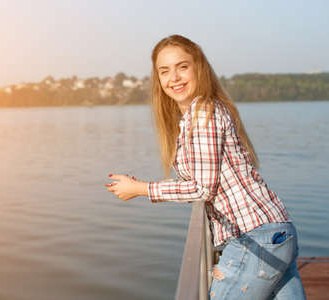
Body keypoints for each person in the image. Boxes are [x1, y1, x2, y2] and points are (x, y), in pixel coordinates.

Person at [105, 34, 306, 299]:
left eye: (182, 67)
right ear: (158, 79)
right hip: (275, 229)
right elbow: (203, 180)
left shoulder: (203, 112)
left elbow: (202, 189)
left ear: (199, 67)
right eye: (164, 71)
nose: (173, 77)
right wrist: (138, 185)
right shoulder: (195, 116)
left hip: (253, 236)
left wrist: (141, 189)